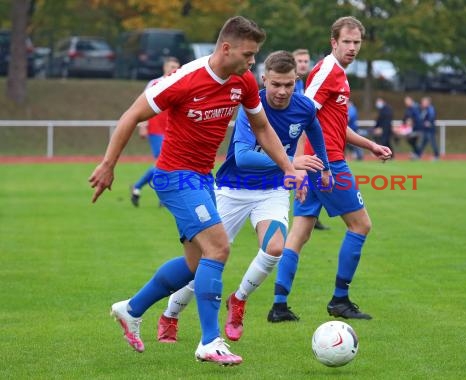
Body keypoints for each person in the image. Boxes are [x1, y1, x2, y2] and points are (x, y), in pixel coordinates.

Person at [88, 16, 304, 366]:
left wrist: (289, 167)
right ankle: (209, 341)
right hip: (174, 176)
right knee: (218, 247)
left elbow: (262, 127)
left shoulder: (244, 82)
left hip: (203, 177)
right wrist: (109, 163)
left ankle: (131, 309)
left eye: (255, 56)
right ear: (226, 48)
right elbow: (131, 115)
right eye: (248, 55)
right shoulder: (185, 79)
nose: (252, 63)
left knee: (194, 264)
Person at [156, 50, 331, 343]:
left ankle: (238, 300)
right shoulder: (252, 105)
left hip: (272, 190)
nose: (282, 91)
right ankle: (170, 314)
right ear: (264, 80)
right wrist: (291, 162)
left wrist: (323, 166)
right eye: (276, 84)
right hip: (232, 190)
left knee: (276, 248)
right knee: (204, 262)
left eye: (288, 84)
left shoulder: (304, 107)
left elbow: (314, 128)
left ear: (296, 80)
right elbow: (244, 157)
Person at [267, 16, 392, 323]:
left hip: (316, 162)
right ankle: (339, 299)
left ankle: (279, 305)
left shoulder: (338, 74)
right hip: (327, 165)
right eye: (346, 42)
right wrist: (294, 167)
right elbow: (301, 114)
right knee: (361, 226)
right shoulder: (327, 71)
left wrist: (370, 145)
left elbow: (334, 125)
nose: (352, 48)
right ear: (333, 42)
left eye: (356, 42)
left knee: (299, 233)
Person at [130, 57, 181, 207]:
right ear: (164, 67)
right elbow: (142, 106)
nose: (174, 69)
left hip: (174, 130)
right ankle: (140, 187)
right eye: (172, 66)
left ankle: (150, 192)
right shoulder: (154, 83)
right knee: (162, 163)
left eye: (177, 67)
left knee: (169, 164)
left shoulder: (181, 84)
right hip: (156, 128)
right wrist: (143, 125)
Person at [292, 48, 330, 231]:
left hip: (301, 137)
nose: (303, 64)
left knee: (304, 173)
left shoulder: (306, 85)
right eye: (299, 61)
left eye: (306, 61)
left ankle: (309, 215)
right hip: (289, 138)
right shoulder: (288, 85)